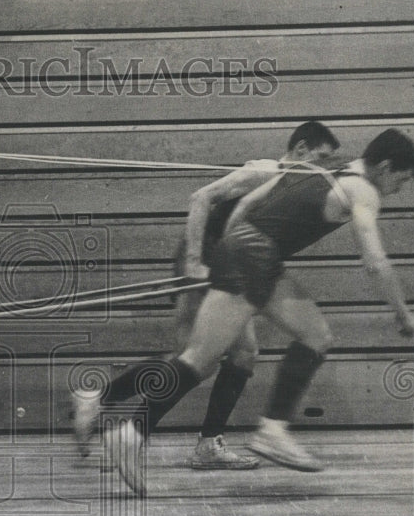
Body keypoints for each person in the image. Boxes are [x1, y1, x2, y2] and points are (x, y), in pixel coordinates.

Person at [90, 128, 414, 495]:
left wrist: (231, 250)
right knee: (198, 359)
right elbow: (375, 262)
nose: (400, 190)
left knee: (314, 336)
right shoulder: (363, 190)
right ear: (386, 167)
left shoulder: (324, 167)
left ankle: (271, 429)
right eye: (403, 181)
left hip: (250, 250)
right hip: (255, 256)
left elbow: (248, 205)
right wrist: (402, 312)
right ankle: (135, 433)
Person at [71, 121, 341, 469]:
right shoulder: (265, 172)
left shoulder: (294, 183)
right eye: (320, 158)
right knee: (195, 356)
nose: (323, 168)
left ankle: (205, 444)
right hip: (206, 259)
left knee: (240, 354)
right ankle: (99, 400)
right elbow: (201, 198)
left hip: (230, 265)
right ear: (301, 150)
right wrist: (196, 261)